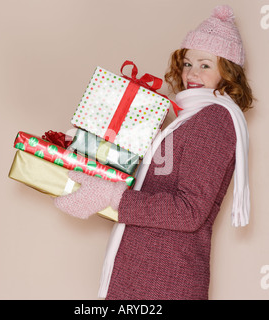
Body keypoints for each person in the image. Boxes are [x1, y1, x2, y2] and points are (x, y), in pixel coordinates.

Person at [54, 5, 254, 300]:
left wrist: (112, 196)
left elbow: (189, 212)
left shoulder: (214, 119)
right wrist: (89, 149)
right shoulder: (189, 119)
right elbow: (156, 177)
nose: (192, 73)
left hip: (165, 279)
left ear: (228, 73)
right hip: (147, 273)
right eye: (187, 64)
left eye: (205, 65)